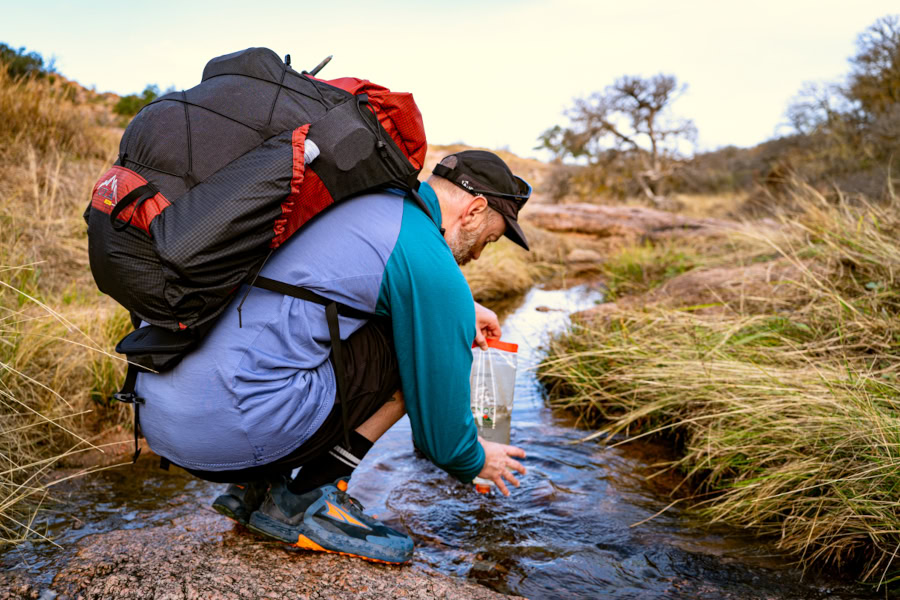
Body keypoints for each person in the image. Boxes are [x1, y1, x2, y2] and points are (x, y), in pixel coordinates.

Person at [134, 150, 531, 564]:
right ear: (474, 210)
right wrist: (477, 460)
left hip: (164, 415)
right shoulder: (429, 256)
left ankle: (258, 487)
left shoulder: (364, 202)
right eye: (490, 239)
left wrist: (462, 309)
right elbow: (441, 438)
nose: (479, 255)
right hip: (228, 431)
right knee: (407, 344)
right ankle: (306, 498)